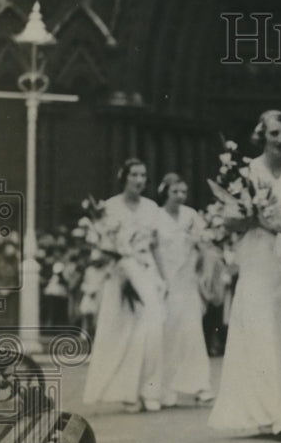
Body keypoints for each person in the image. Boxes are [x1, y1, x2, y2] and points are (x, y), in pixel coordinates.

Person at [207, 110, 281, 439]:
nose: (280, 140)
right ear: (262, 135)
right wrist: (255, 218)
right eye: (274, 133)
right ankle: (275, 414)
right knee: (262, 330)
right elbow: (230, 221)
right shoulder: (245, 171)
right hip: (257, 257)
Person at [82, 158, 168, 412]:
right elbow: (100, 243)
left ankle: (149, 390)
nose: (140, 180)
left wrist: (163, 277)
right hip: (120, 273)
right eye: (134, 175)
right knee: (123, 331)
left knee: (153, 326)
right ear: (124, 177)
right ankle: (128, 393)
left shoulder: (152, 207)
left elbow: (155, 245)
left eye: (143, 175)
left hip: (147, 270)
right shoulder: (109, 207)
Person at [157, 173, 214, 405]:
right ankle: (166, 388)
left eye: (183, 192)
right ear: (165, 192)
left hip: (187, 281)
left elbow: (204, 246)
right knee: (167, 333)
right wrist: (161, 279)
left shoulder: (191, 215)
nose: (180, 196)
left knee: (192, 331)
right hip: (166, 281)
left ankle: (201, 385)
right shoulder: (156, 217)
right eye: (175, 192)